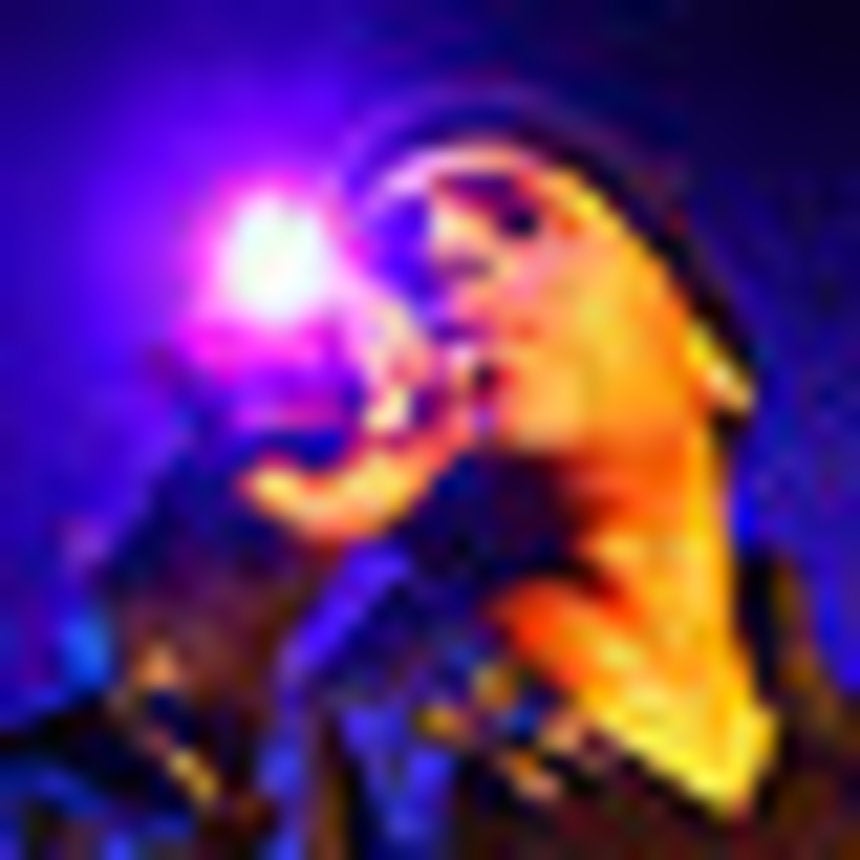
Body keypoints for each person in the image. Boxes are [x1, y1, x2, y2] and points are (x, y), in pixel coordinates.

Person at [244, 92, 860, 855]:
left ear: (712, 360)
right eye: (396, 269)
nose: (445, 252)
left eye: (520, 221)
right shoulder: (308, 768)